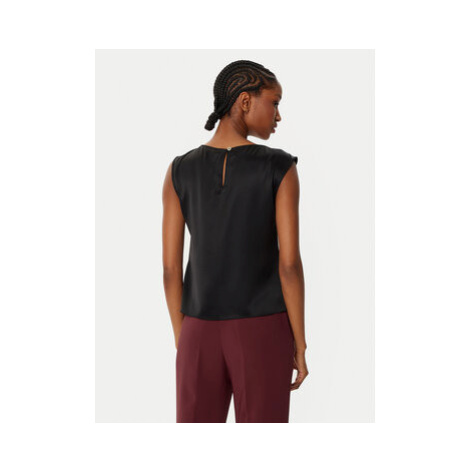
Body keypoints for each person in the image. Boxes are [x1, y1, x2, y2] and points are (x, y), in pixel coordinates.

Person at [162, 59, 308, 423]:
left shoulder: (179, 169)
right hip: (263, 328)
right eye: (274, 103)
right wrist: (300, 343)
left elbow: (170, 270)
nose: (278, 115)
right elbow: (289, 265)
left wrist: (184, 336)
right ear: (245, 101)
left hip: (197, 326)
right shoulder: (279, 167)